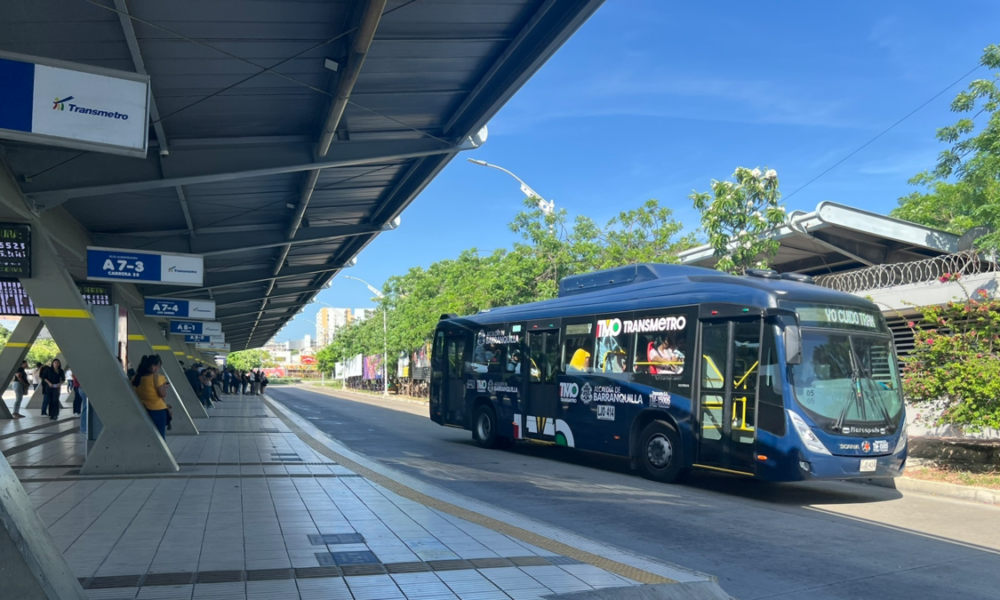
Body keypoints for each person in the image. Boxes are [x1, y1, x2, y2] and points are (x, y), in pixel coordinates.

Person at [132, 355, 171, 439]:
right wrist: (164, 387)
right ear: (153, 366)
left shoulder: (136, 378)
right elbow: (162, 394)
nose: (158, 368)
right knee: (160, 434)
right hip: (158, 410)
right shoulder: (157, 378)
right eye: (158, 366)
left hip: (143, 408)